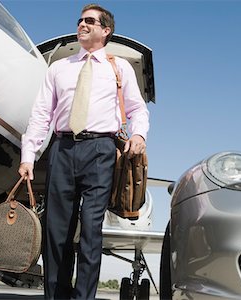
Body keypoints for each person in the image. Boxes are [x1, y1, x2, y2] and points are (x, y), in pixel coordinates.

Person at [18, 4, 149, 299]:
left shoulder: (120, 67)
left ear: (106, 30)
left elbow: (138, 108)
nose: (82, 24)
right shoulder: (58, 69)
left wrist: (139, 134)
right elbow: (41, 115)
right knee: (56, 230)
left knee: (91, 230)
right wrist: (28, 156)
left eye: (90, 21)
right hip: (62, 149)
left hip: (101, 151)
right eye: (80, 20)